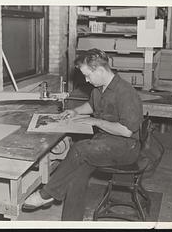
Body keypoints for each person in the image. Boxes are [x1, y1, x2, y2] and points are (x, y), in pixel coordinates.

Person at [23, 48, 143, 221]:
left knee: (79, 149)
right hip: (105, 142)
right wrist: (75, 112)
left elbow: (126, 130)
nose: (86, 79)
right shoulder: (99, 88)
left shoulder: (125, 92)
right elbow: (92, 106)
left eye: (88, 75)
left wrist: (97, 122)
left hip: (126, 147)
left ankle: (47, 193)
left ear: (100, 70)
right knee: (75, 177)